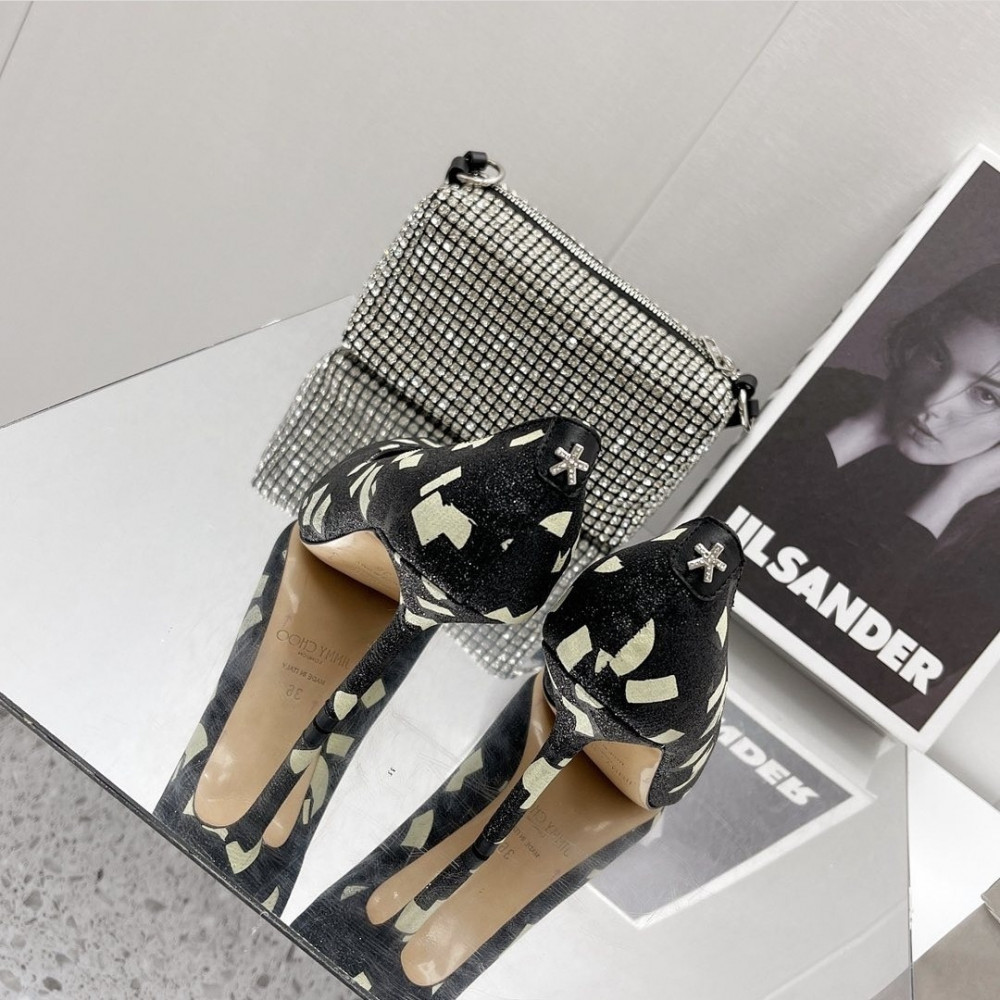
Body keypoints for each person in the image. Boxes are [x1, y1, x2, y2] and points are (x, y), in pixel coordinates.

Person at [711, 263, 1000, 729]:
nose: (933, 405)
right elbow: (695, 531)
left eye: (987, 397)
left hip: (782, 720)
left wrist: (953, 492)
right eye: (936, 358)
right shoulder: (832, 394)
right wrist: (858, 431)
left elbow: (867, 683)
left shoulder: (992, 550)